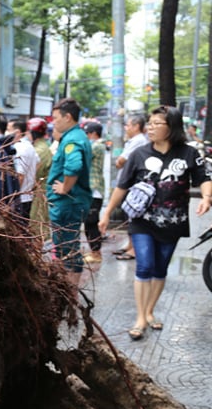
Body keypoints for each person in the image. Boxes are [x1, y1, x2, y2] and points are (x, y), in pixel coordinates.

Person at [98, 105, 212, 340]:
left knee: (160, 268)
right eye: (149, 123)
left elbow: (204, 178)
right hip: (142, 221)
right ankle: (140, 317)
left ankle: (150, 311)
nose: (150, 127)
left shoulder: (189, 153)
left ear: (171, 127)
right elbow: (122, 186)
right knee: (144, 265)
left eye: (156, 123)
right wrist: (107, 212)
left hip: (173, 222)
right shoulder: (139, 154)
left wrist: (207, 197)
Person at [47, 97, 93, 286]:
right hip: (71, 203)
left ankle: (69, 295)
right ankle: (70, 296)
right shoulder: (76, 136)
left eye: (56, 118)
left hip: (67, 204)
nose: (54, 122)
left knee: (68, 251)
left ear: (68, 117)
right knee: (68, 248)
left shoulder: (72, 140)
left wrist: (65, 187)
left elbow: (74, 166)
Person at [112, 115, 149, 260]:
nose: (126, 128)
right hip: (129, 182)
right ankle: (130, 245)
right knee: (128, 215)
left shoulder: (139, 141)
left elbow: (121, 161)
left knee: (132, 216)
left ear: (136, 126)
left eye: (128, 125)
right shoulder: (134, 141)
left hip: (132, 184)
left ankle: (134, 249)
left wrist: (120, 162)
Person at [83, 121, 107, 263]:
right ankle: (94, 251)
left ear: (93, 134)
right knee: (89, 223)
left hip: (94, 189)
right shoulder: (97, 145)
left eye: (87, 134)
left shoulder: (97, 146)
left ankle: (96, 253)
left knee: (91, 223)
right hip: (92, 189)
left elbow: (84, 154)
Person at [27, 117, 54, 243]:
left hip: (39, 192)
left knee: (37, 228)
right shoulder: (39, 148)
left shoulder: (40, 150)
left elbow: (33, 174)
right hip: (38, 191)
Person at [7, 119, 39, 221]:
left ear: (17, 132)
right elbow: (38, 162)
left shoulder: (19, 149)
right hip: (27, 196)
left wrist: (13, 197)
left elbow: (20, 176)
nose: (6, 133)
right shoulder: (29, 146)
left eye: (8, 130)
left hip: (20, 198)